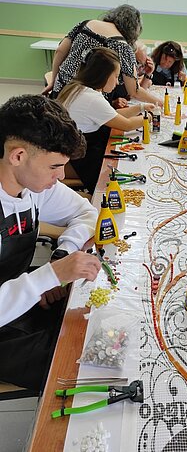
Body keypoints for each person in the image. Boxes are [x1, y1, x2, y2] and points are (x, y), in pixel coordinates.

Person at [0, 94, 101, 390]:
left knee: (92, 322)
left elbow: (86, 212)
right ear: (18, 155)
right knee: (81, 362)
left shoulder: (31, 184)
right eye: (54, 167)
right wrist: (50, 276)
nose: (59, 177)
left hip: (14, 292)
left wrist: (62, 256)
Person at [58, 47, 154, 194]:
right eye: (115, 76)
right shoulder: (91, 98)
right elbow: (126, 125)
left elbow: (112, 115)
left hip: (71, 150)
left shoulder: (78, 87)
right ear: (103, 75)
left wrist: (141, 107)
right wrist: (150, 118)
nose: (117, 82)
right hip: (78, 160)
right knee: (125, 172)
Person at [42, 4, 161, 106]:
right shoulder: (123, 46)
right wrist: (160, 102)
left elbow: (60, 51)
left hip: (62, 90)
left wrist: (53, 81)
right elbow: (134, 91)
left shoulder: (86, 24)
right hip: (91, 102)